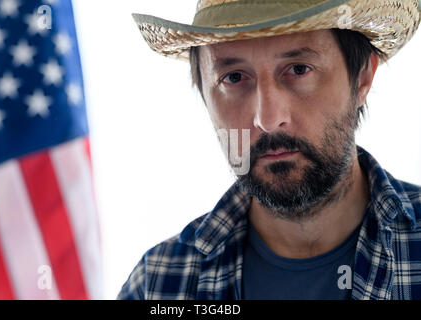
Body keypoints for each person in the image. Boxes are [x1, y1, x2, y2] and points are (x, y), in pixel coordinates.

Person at [119, 0, 421, 300]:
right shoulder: (157, 286)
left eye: (299, 69)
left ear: (363, 77)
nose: (267, 119)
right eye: (234, 77)